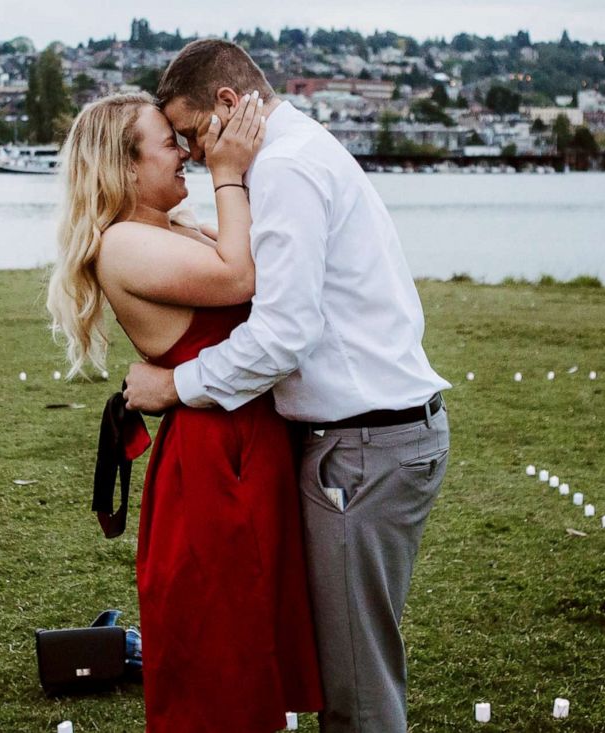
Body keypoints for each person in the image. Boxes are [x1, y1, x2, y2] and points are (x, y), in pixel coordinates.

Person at [123, 40, 452, 733]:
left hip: (365, 445)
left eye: (190, 131)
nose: (187, 149)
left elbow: (282, 334)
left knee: (356, 691)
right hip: (367, 438)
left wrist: (174, 384)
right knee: (346, 670)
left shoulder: (285, 168)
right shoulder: (292, 153)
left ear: (227, 105)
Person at [46, 91, 323, 732]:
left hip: (248, 443)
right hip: (214, 462)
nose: (186, 151)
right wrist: (229, 173)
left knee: (251, 644)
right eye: (168, 141)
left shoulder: (168, 230)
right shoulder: (121, 244)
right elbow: (239, 278)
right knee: (218, 655)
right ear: (125, 167)